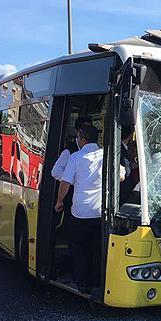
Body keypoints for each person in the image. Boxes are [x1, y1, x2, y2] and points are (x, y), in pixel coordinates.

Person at [55, 124, 105, 294]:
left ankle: (82, 283)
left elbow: (65, 182)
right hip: (100, 212)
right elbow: (121, 175)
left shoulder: (76, 157)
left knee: (79, 248)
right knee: (97, 248)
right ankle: (96, 281)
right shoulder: (107, 155)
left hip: (80, 213)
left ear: (82, 139)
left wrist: (59, 201)